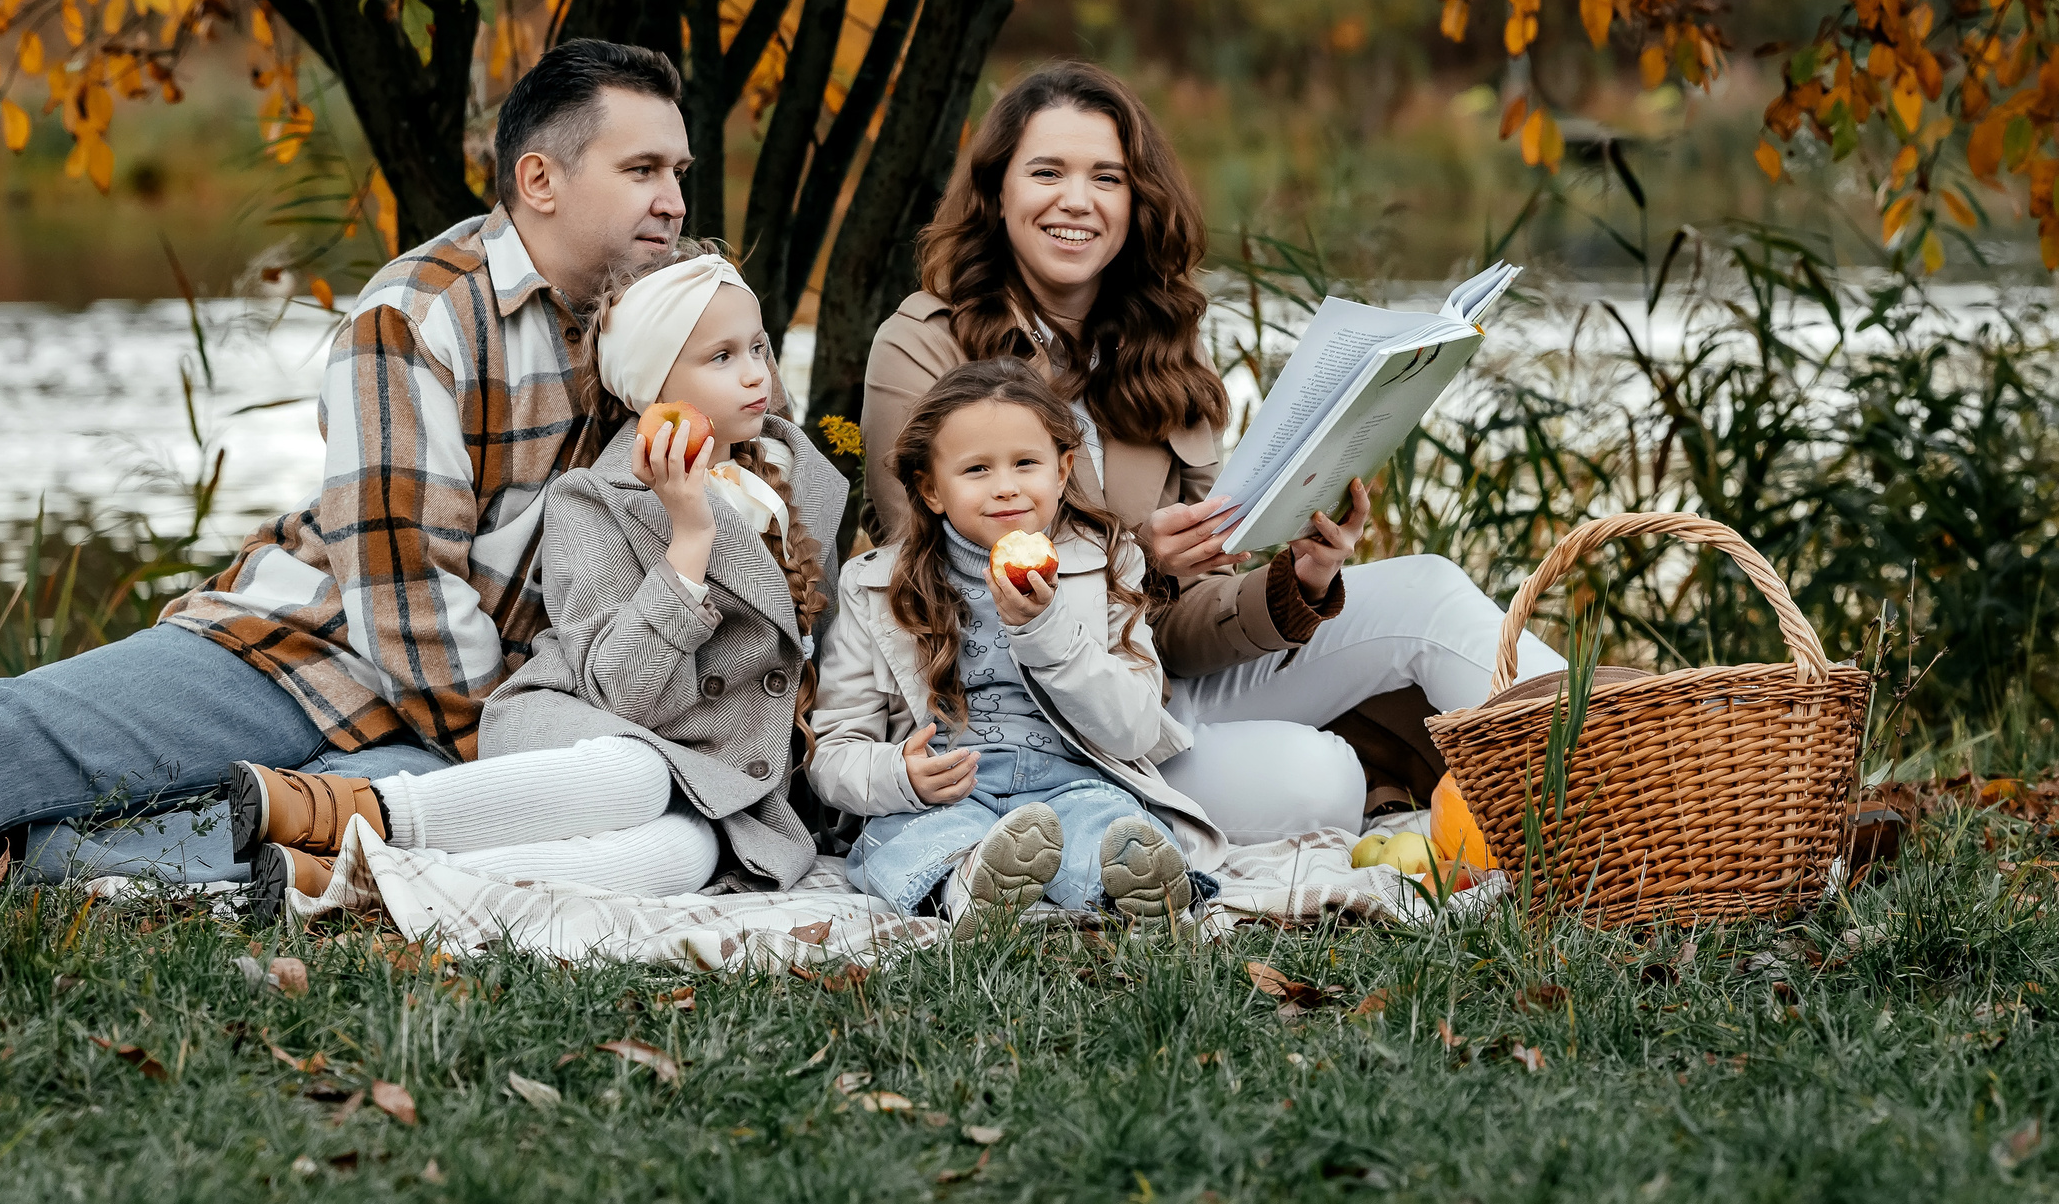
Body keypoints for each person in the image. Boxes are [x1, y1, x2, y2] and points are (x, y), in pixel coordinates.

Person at [0, 40, 696, 926]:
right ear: (538, 179)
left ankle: (10, 865)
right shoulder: (419, 315)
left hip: (464, 723)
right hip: (308, 645)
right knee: (13, 732)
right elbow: (404, 605)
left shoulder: (683, 320)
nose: (673, 201)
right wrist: (526, 762)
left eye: (679, 173)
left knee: (376, 830)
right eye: (641, 169)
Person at [860, 62, 1565, 845]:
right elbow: (921, 575)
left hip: (1160, 678)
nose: (1077, 201)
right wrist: (1135, 558)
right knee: (1324, 778)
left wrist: (1294, 583)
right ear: (997, 194)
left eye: (1108, 177)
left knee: (1428, 590)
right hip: (1033, 718)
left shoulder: (1159, 344)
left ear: (1136, 202)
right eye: (1047, 172)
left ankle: (1609, 786)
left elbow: (1190, 625)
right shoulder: (922, 344)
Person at [227, 245, 846, 921]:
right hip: (582, 724)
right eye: (721, 358)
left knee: (686, 857)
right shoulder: (597, 499)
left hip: (712, 781)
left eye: (758, 348)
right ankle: (350, 810)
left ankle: (363, 887)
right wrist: (691, 539)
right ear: (653, 387)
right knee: (640, 775)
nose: (757, 374)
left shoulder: (798, 476)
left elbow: (817, 657)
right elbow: (619, 692)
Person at [811, 360, 1213, 932]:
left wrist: (1045, 628)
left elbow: (1135, 729)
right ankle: (972, 883)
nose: (1006, 486)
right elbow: (834, 749)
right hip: (945, 794)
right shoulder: (876, 586)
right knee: (908, 840)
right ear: (931, 489)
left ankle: (1130, 884)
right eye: (976, 469)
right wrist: (899, 774)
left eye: (1026, 463)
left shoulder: (1106, 564)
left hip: (1074, 779)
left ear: (1063, 467)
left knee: (1110, 825)